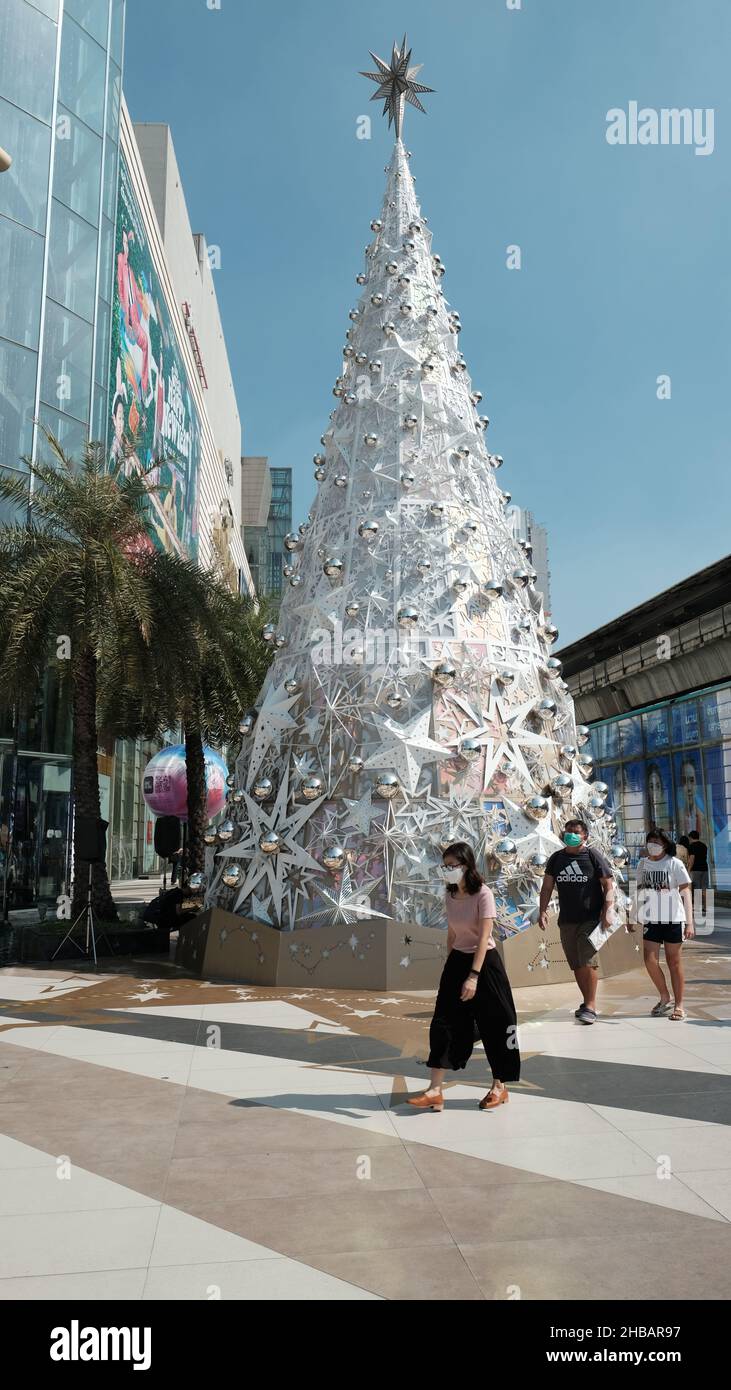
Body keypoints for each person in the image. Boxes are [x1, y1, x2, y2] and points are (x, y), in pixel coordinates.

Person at [408, 841, 521, 1112]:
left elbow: (484, 938)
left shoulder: (483, 894)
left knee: (497, 1022)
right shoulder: (450, 895)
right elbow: (451, 934)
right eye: (445, 866)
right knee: (443, 1023)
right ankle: (435, 1090)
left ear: (467, 865)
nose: (448, 871)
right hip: (458, 961)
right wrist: (452, 968)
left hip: (485, 964)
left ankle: (499, 1086)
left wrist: (473, 976)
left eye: (453, 866)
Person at [539, 818, 615, 1024]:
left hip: (590, 918)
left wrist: (608, 910)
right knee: (577, 964)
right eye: (568, 831)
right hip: (567, 920)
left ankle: (590, 1006)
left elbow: (608, 886)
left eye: (576, 831)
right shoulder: (556, 858)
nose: (571, 834)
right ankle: (586, 1002)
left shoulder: (592, 856)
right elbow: (546, 887)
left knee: (588, 961)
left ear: (585, 836)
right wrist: (542, 911)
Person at [637, 828, 694, 1020]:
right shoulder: (642, 864)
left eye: (658, 841)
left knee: (674, 962)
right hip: (651, 918)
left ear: (665, 845)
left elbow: (686, 892)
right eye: (651, 840)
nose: (653, 844)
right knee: (649, 960)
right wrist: (633, 916)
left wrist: (689, 923)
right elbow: (639, 890)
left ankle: (679, 1005)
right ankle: (664, 996)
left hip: (673, 919)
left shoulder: (674, 863)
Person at [688, 829, 710, 915]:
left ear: (691, 837)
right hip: (705, 868)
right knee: (705, 888)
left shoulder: (692, 846)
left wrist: (689, 869)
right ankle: (706, 907)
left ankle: (698, 907)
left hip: (696, 869)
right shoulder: (704, 845)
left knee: (697, 888)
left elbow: (692, 859)